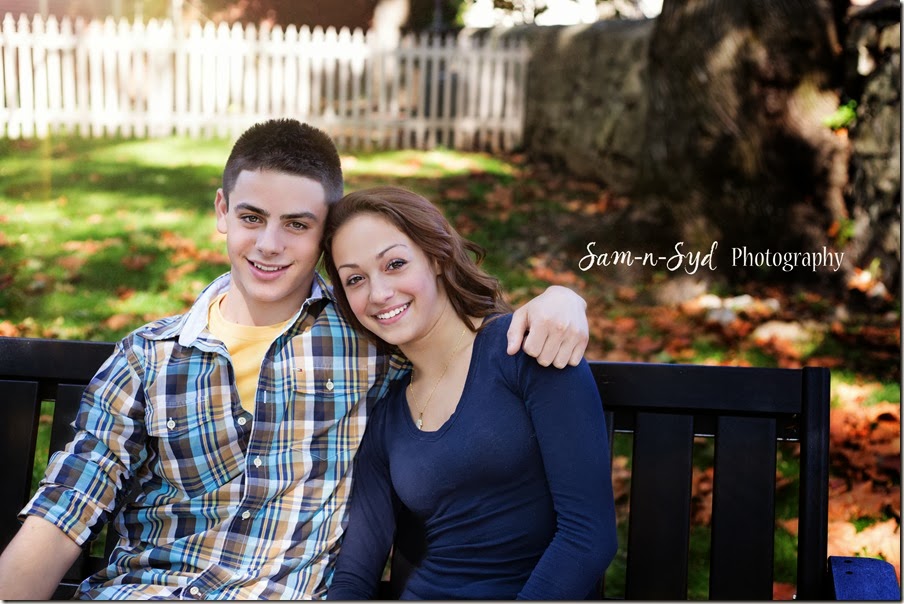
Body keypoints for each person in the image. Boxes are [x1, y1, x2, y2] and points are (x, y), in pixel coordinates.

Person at [0, 119, 591, 600]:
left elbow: (454, 338)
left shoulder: (367, 338)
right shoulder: (146, 361)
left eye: (297, 225)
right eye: (251, 218)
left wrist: (560, 298)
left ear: (322, 238)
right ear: (221, 213)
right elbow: (62, 514)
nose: (269, 245)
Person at [322, 186, 617, 600]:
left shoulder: (524, 351)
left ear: (438, 258)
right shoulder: (388, 414)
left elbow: (589, 538)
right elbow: (354, 575)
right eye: (355, 279)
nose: (378, 293)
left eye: (395, 264)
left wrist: (564, 294)